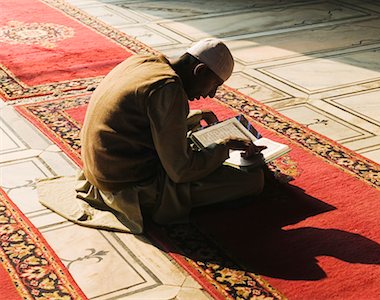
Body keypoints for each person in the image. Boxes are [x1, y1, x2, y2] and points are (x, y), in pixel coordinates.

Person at [76, 38, 266, 233]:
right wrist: (224, 147)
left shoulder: (144, 62)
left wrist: (195, 117)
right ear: (199, 71)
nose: (211, 94)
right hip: (127, 187)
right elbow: (181, 171)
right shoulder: (168, 88)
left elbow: (146, 118)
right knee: (252, 181)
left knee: (196, 142)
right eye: (214, 85)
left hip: (99, 172)